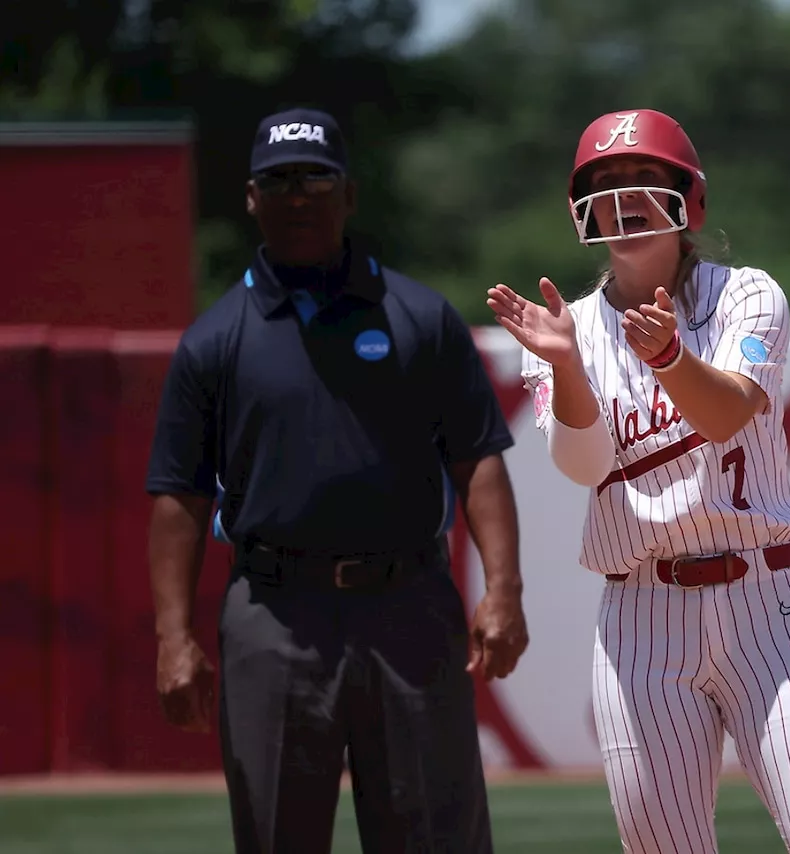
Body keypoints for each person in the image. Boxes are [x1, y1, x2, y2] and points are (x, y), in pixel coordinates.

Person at [487, 108, 790, 853]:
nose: (621, 197)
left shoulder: (747, 296)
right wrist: (567, 365)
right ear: (582, 212)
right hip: (642, 615)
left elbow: (728, 412)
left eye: (641, 178)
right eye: (602, 184)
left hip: (769, 604)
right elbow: (584, 466)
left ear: (687, 198)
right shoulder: (562, 332)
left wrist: (669, 358)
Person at [145, 106, 528, 854]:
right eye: (279, 181)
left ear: (348, 193)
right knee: (276, 835)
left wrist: (504, 589)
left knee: (436, 838)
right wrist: (172, 636)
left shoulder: (420, 318)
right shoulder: (214, 340)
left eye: (315, 179)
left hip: (409, 608)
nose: (298, 196)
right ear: (251, 197)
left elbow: (478, 458)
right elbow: (179, 496)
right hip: (273, 616)